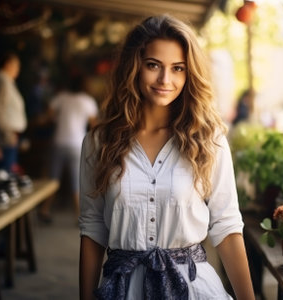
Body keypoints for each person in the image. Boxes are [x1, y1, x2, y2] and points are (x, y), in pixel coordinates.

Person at [79, 15, 255, 300]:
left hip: (194, 289)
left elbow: (227, 226)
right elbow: (92, 227)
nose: (165, 79)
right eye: (153, 65)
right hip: (123, 291)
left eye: (178, 69)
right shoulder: (99, 142)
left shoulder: (209, 141)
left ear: (189, 74)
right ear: (134, 67)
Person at [38, 72, 99, 223]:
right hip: (77, 144)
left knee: (53, 180)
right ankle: (79, 215)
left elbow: (48, 116)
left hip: (59, 142)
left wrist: (57, 119)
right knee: (76, 181)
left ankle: (44, 210)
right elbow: (94, 125)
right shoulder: (88, 101)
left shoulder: (61, 97)